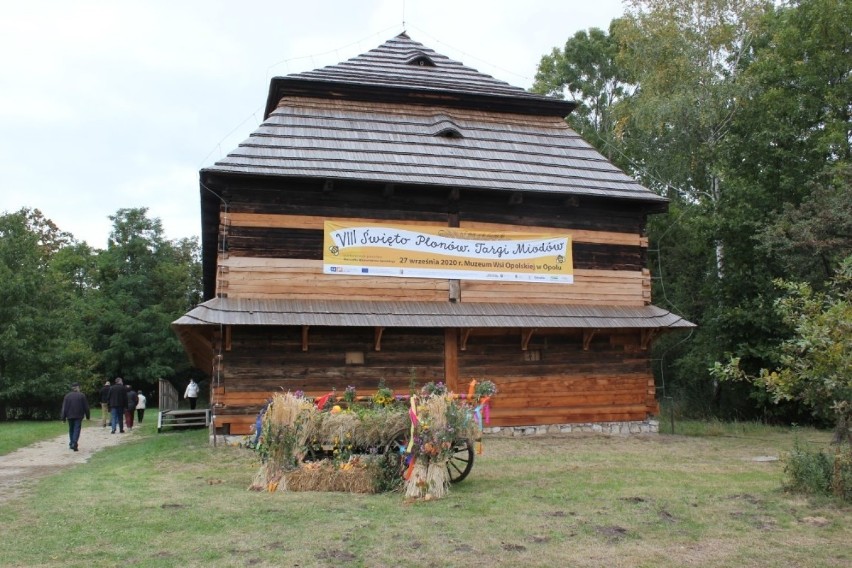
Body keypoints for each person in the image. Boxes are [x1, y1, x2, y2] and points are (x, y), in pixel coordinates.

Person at [60, 382, 90, 451]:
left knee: (71, 429)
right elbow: (86, 407)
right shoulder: (82, 395)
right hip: (79, 415)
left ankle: (71, 443)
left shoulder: (67, 396)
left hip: (69, 415)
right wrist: (87, 416)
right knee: (77, 429)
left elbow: (64, 408)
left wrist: (63, 418)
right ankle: (74, 442)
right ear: (78, 388)